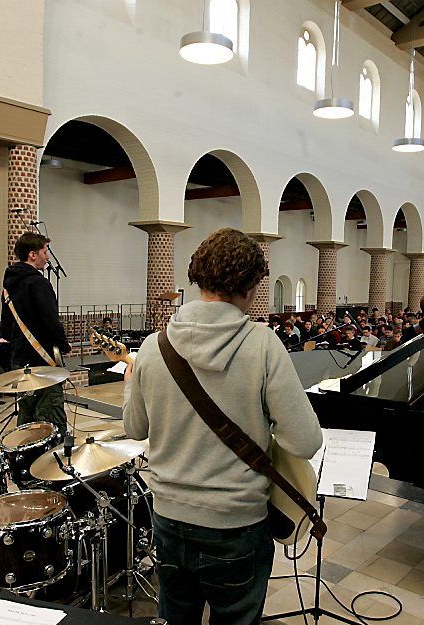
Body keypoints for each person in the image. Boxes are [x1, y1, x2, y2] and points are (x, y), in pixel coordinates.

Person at [123, 228, 323, 625]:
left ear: (198, 278)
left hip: (168, 519)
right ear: (251, 286)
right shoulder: (263, 345)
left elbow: (134, 427)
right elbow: (304, 440)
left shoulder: (153, 346)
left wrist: (134, 385)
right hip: (236, 525)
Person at [1, 232, 71, 427]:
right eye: (44, 251)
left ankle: (24, 451)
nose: (47, 256)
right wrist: (63, 344)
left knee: (27, 411)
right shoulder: (38, 283)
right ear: (33, 254)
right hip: (42, 359)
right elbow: (50, 320)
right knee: (50, 414)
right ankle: (50, 455)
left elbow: (5, 329)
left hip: (19, 359)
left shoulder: (8, 286)